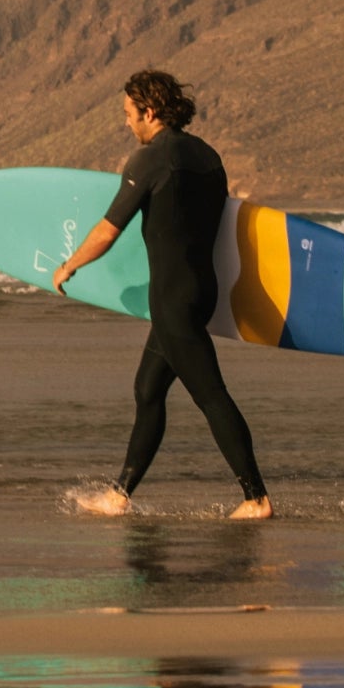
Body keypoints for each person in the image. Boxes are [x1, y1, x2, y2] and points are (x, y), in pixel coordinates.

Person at [53, 70, 273, 520]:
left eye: (128, 114)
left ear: (149, 113)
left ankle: (256, 498)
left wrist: (70, 264)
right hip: (201, 290)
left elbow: (107, 230)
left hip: (173, 299)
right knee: (148, 388)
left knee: (211, 395)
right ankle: (119, 494)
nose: (127, 123)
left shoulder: (150, 160)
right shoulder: (209, 157)